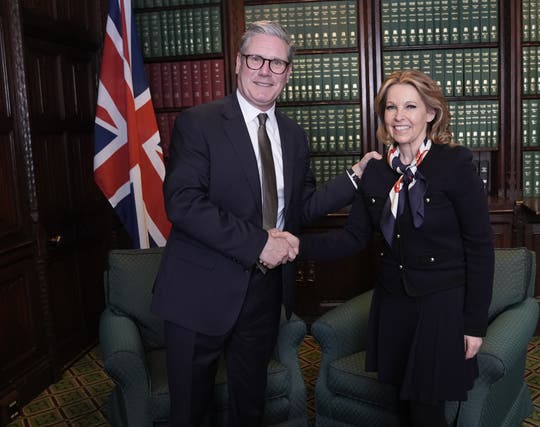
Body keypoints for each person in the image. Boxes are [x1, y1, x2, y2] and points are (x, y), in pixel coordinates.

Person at [150, 20, 380, 426]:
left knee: (249, 405)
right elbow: (183, 203)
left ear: (288, 73)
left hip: (262, 292)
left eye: (277, 63)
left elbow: (301, 208)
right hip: (197, 293)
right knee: (189, 411)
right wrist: (259, 242)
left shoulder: (293, 135)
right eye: (257, 58)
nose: (265, 70)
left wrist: (355, 177)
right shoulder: (198, 123)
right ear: (239, 63)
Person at [296, 70, 495, 426]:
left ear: (431, 113)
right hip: (393, 304)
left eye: (410, 106)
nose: (399, 116)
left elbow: (479, 248)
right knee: (400, 403)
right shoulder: (375, 170)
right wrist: (295, 246)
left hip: (440, 305)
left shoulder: (456, 164)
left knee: (426, 409)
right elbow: (352, 237)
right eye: (391, 107)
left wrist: (474, 324)